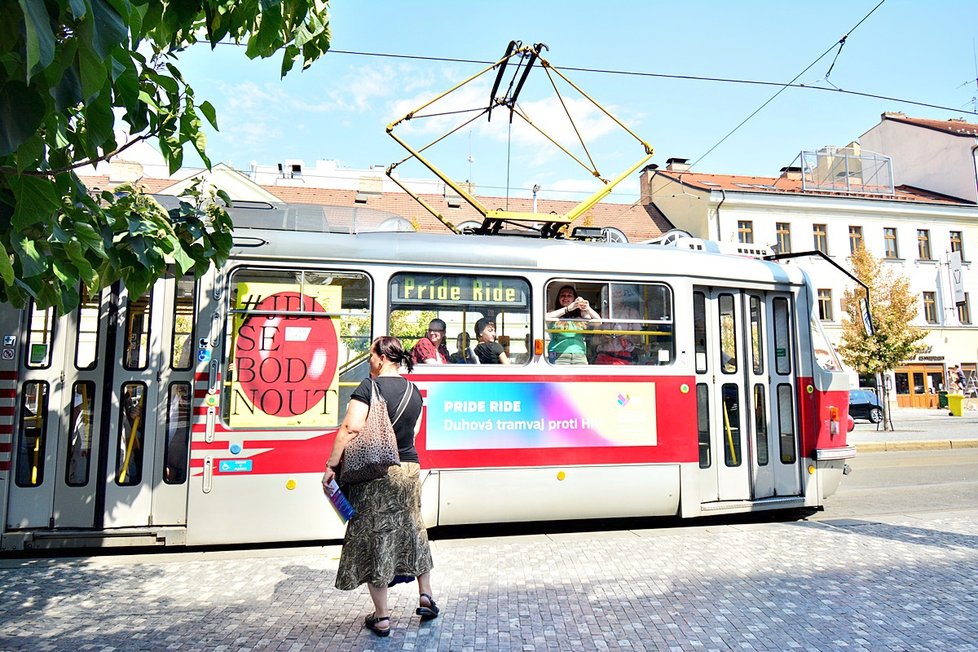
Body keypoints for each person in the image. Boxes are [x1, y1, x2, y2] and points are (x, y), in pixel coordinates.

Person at [322, 336, 438, 637]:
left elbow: (350, 427)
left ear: (382, 357)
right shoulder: (414, 390)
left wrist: (331, 465)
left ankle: (382, 616)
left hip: (377, 472)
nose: (369, 360)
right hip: (409, 468)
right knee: (413, 528)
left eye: (371, 355)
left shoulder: (369, 388)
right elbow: (413, 431)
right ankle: (425, 595)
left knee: (377, 537)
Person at [545, 285, 600, 365]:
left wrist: (587, 308)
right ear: (558, 298)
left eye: (569, 295)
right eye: (563, 295)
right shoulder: (554, 312)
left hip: (579, 355)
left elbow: (598, 322)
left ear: (574, 299)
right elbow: (546, 317)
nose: (566, 298)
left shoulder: (581, 314)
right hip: (558, 354)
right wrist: (567, 309)